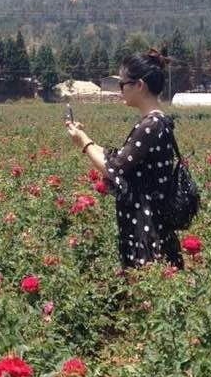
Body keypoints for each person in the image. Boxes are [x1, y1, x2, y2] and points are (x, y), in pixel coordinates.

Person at [65, 47, 184, 271]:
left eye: (123, 84)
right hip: (153, 224)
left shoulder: (150, 125)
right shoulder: (158, 121)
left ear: (139, 85)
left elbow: (114, 170)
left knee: (146, 290)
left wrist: (83, 143)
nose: (120, 90)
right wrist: (85, 138)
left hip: (147, 229)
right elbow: (120, 160)